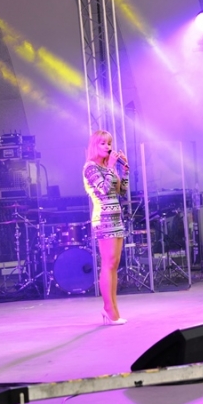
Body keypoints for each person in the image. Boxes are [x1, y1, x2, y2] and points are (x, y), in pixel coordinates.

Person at [83, 130, 129, 325]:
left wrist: (125, 171)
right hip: (103, 219)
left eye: (109, 143)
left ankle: (113, 308)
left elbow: (121, 191)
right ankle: (109, 309)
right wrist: (111, 167)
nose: (108, 147)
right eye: (103, 143)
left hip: (116, 218)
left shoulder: (106, 167)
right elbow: (103, 190)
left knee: (114, 264)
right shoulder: (90, 167)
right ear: (95, 146)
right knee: (108, 264)